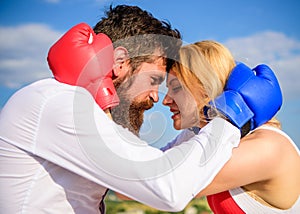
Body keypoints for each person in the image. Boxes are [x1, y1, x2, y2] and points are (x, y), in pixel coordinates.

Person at [0, 4, 281, 213]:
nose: (156, 97)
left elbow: (153, 166)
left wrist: (202, 118)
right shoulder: (60, 103)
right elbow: (167, 187)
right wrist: (231, 116)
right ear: (120, 62)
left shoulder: (75, 108)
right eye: (155, 81)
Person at [161, 40, 300, 213]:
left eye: (176, 88)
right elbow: (147, 165)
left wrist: (227, 112)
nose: (165, 100)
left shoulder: (267, 148)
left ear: (207, 88)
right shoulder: (206, 133)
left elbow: (166, 185)